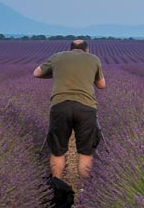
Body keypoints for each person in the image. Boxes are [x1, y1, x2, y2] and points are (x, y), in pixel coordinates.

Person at [33, 39, 106, 181]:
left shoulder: (57, 57)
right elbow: (101, 85)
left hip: (60, 106)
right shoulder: (93, 59)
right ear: (87, 50)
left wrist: (56, 73)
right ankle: (85, 190)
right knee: (85, 152)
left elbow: (36, 73)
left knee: (58, 150)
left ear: (70, 49)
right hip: (86, 107)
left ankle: (56, 186)